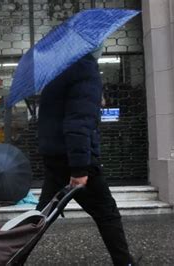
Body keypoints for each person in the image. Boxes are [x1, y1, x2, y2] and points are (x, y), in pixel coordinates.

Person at [35, 53, 136, 265]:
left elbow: (61, 113)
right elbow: (78, 124)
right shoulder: (85, 67)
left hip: (55, 156)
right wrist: (80, 170)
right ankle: (125, 262)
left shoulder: (59, 68)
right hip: (75, 159)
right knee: (107, 213)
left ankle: (8, 257)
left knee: (40, 217)